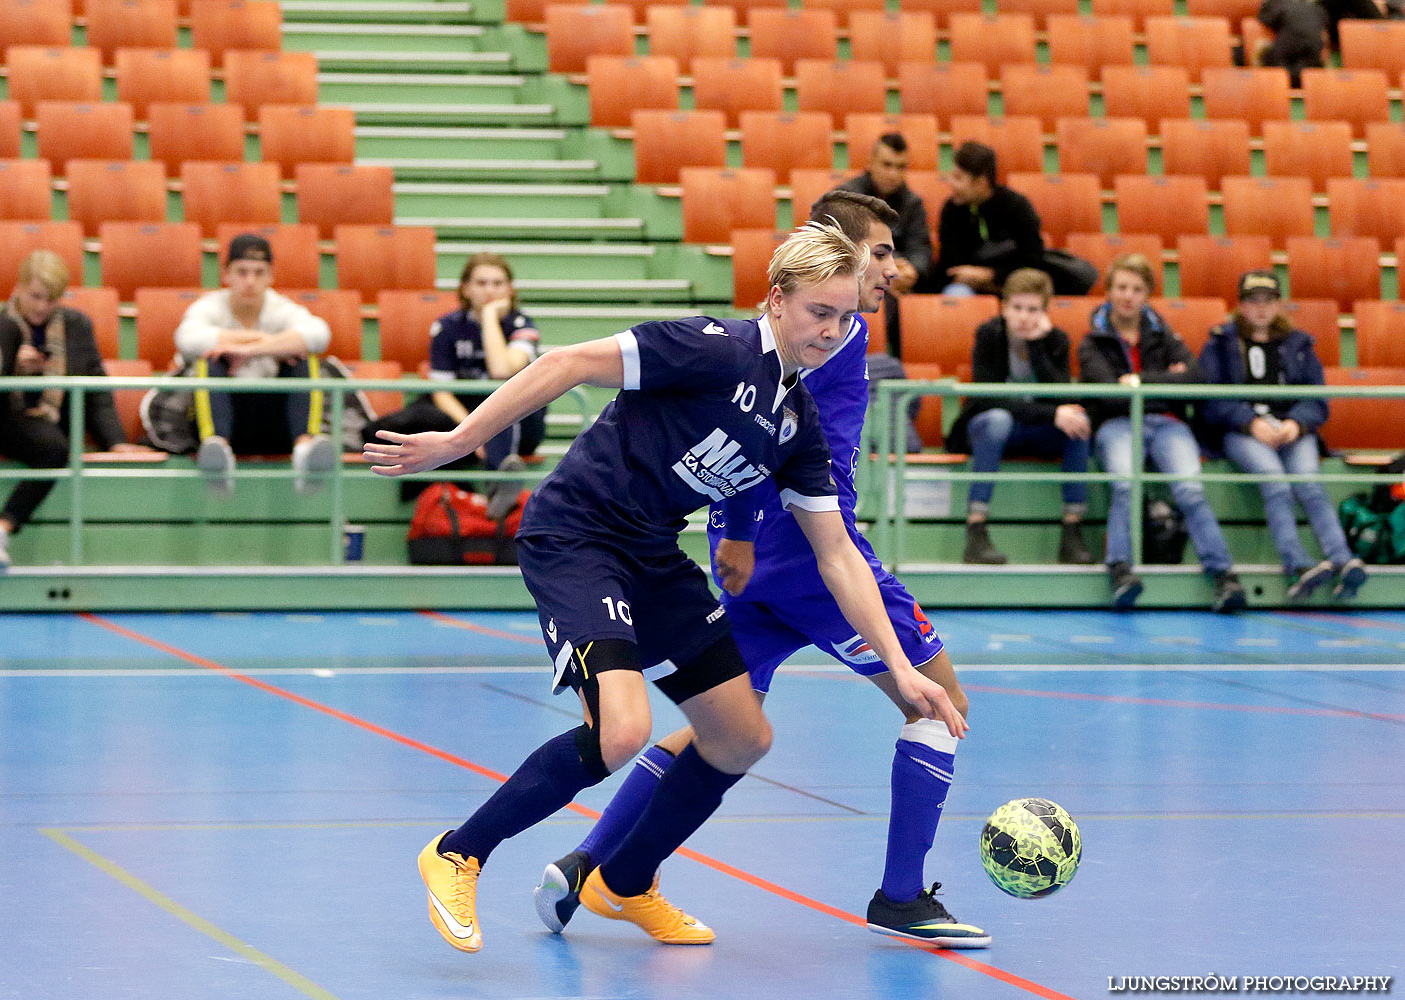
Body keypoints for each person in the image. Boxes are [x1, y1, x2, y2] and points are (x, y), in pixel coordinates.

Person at [364, 220, 968, 954]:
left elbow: (837, 552)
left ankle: (624, 883)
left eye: (846, 319)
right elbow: (568, 363)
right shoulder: (712, 348)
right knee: (622, 731)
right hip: (578, 536)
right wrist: (459, 444)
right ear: (776, 300)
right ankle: (460, 851)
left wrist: (901, 669)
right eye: (819, 313)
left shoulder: (795, 423)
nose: (833, 332)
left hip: (652, 553)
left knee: (741, 736)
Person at [529, 191, 990, 950]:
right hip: (817, 556)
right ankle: (901, 896)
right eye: (878, 252)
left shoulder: (805, 330)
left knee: (726, 730)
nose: (892, 268)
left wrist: (735, 530)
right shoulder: (829, 330)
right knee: (938, 702)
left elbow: (745, 425)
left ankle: (592, 864)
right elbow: (757, 421)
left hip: (767, 559)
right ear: (830, 260)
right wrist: (737, 525)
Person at [0, 250, 154, 568]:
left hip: (31, 423)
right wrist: (10, 366)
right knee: (5, 335)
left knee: (56, 450)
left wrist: (116, 442)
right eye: (35, 296)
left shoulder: (75, 326)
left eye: (51, 300)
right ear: (19, 288)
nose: (42, 307)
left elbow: (94, 386)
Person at [1079, 254, 1246, 612]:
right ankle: (1120, 570)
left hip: (1167, 423)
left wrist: (1139, 382)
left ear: (1147, 295)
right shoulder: (1093, 340)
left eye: (1137, 289)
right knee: (1125, 484)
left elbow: (1194, 377)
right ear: (1109, 292)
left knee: (1190, 489)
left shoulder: (1163, 334)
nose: (1128, 296)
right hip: (1118, 423)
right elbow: (1104, 389)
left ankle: (1223, 576)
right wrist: (1166, 378)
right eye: (1121, 287)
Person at [1197, 270, 1367, 600]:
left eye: (1268, 301)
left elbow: (1317, 399)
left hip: (1290, 428)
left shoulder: (1299, 344)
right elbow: (1211, 400)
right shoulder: (1219, 342)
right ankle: (1297, 565)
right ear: (1241, 306)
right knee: (1275, 481)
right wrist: (1249, 422)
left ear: (1278, 305)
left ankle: (1343, 560)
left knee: (1309, 483)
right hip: (1241, 431)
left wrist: (1297, 423)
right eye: (1253, 301)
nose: (1260, 308)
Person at [363, 252, 545, 514]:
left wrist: (491, 317)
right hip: (461, 416)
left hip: (513, 417)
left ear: (509, 289)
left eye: (498, 283)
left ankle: (500, 487)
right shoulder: (447, 327)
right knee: (418, 418)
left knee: (505, 407)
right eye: (481, 283)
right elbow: (442, 392)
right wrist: (473, 432)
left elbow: (501, 369)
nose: (490, 290)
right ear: (466, 288)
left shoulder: (522, 325)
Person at [946, 268, 1093, 566]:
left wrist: (1037, 346)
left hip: (1035, 431)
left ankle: (1072, 529)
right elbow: (987, 397)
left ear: (1045, 311)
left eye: (1033, 310)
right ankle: (976, 529)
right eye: (1017, 308)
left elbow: (1063, 398)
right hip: (989, 429)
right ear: (1004, 307)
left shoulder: (1056, 340)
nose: (1024, 317)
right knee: (999, 418)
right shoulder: (989, 334)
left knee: (1078, 422)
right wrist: (1052, 414)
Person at [174, 233, 334, 497]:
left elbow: (319, 335)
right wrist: (273, 343)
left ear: (271, 276)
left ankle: (305, 450)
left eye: (259, 273)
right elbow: (186, 338)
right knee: (209, 359)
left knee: (304, 360)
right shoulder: (210, 307)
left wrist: (250, 350)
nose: (250, 281)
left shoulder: (280, 308)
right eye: (242, 272)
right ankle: (217, 449)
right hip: (228, 416)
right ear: (226, 274)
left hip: (274, 417)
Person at [839, 132, 933, 359]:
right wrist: (889, 270)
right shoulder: (849, 197)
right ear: (869, 163)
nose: (893, 173)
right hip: (857, 277)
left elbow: (921, 247)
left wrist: (912, 270)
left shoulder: (912, 202)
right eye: (887, 164)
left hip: (901, 282)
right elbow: (851, 245)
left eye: (900, 167)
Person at [918, 142, 1044, 298]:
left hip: (1013, 286)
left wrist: (990, 275)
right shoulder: (951, 209)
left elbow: (1032, 260)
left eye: (958, 178)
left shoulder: (1018, 207)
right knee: (957, 294)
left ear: (981, 183)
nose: (950, 183)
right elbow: (951, 264)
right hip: (964, 286)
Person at [1256, 0, 1328, 87]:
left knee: (1265, 53)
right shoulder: (1315, 8)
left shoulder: (1281, 6)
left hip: (1289, 47)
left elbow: (1265, 19)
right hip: (1313, 50)